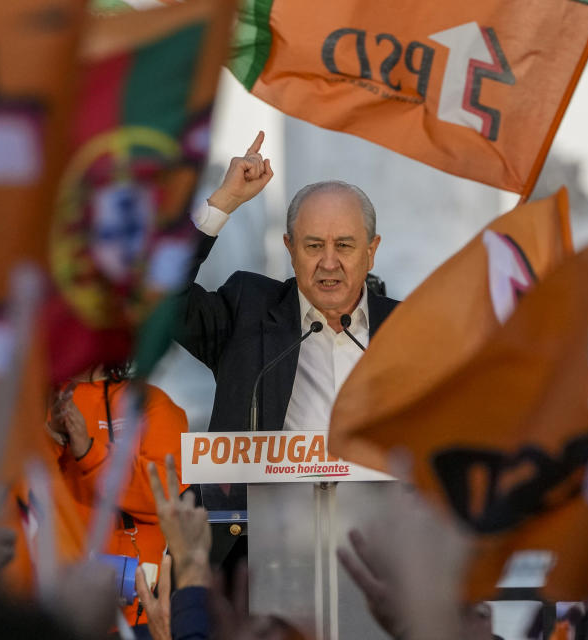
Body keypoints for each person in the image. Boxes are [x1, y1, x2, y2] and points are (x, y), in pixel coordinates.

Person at [179, 131, 399, 434]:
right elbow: (161, 294)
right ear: (290, 249)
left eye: (345, 246)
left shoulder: (409, 329)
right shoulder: (244, 314)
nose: (329, 262)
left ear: (371, 252)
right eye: (313, 246)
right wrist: (223, 202)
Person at [44, 364, 188, 632]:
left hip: (132, 614)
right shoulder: (27, 403)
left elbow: (165, 495)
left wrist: (89, 452)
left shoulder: (150, 403)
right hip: (42, 610)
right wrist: (47, 440)